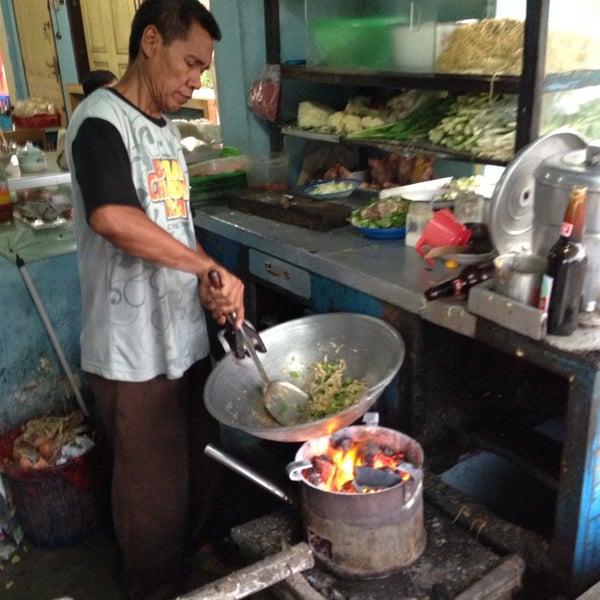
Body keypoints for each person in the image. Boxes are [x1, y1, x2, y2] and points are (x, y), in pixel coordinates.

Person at [65, 1, 244, 598]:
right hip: (130, 349)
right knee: (151, 494)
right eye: (190, 64)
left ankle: (189, 565)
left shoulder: (164, 131)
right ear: (150, 42)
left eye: (203, 71)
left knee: (201, 462)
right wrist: (206, 264)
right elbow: (114, 217)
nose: (194, 81)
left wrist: (205, 286)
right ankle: (153, 587)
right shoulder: (99, 121)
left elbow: (172, 231)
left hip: (182, 336)